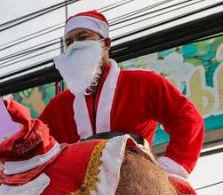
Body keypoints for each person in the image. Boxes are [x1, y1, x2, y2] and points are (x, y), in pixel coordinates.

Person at [39, 10, 205, 179]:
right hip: (80, 193)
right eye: (69, 42)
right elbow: (35, 147)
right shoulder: (59, 105)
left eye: (83, 37)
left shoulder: (143, 82)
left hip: (139, 180)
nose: (75, 46)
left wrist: (169, 169)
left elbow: (187, 119)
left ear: (106, 44)